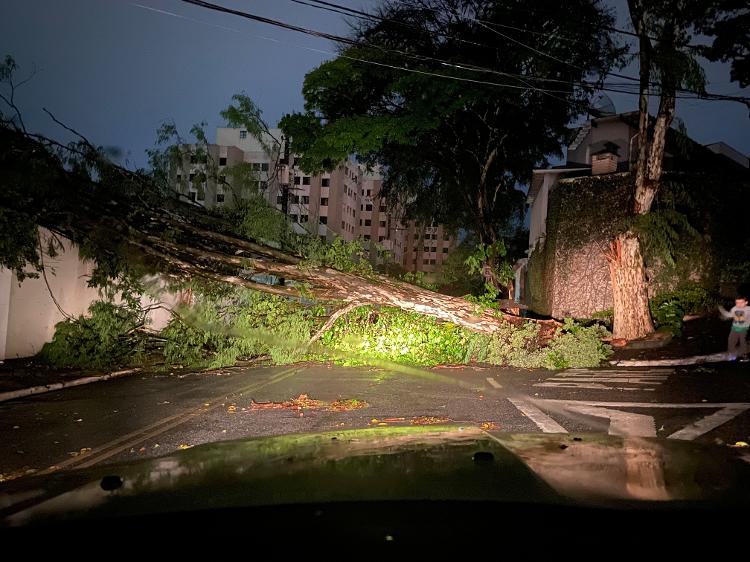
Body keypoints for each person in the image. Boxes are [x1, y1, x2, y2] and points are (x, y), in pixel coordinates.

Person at [718, 295, 750, 361]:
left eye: (741, 303)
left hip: (743, 329)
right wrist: (722, 311)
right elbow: (729, 315)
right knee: (731, 341)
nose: (739, 304)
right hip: (734, 328)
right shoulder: (734, 308)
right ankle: (732, 355)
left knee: (742, 341)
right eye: (737, 303)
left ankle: (745, 356)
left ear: (746, 302)